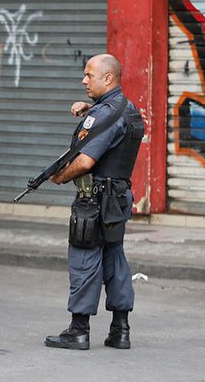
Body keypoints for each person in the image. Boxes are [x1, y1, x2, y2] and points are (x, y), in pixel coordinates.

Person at [45, 54, 144, 351]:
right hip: (119, 198)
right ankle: (120, 330)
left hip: (94, 201)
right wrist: (93, 107)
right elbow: (117, 129)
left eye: (89, 75)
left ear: (108, 79)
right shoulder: (130, 109)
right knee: (115, 259)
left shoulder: (101, 116)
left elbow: (86, 160)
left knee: (85, 260)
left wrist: (61, 177)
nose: (84, 80)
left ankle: (78, 330)